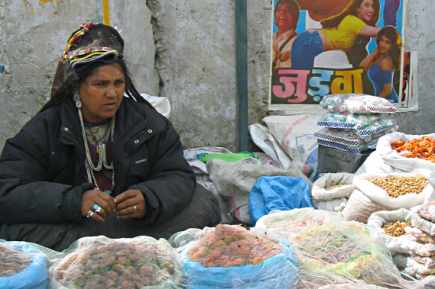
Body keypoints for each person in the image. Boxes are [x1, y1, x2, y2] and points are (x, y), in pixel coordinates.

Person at [0, 23, 220, 250]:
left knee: (202, 201)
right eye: (100, 84)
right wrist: (75, 201)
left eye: (118, 83)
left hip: (132, 224)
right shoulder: (46, 127)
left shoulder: (147, 122)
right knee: (12, 229)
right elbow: (7, 190)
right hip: (78, 226)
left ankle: (115, 247)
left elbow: (177, 174)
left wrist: (148, 198)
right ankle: (127, 248)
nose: (112, 93)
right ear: (77, 87)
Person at [291, 0, 380, 69]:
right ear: (358, 8)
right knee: (302, 79)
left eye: (373, 7)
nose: (371, 10)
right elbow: (379, 32)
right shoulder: (354, 21)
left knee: (302, 79)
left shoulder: (352, 21)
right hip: (308, 43)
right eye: (366, 5)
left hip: (308, 40)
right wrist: (392, 33)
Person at [360, 26, 400, 103]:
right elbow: (361, 69)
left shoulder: (386, 61)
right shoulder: (378, 56)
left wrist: (374, 104)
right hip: (380, 99)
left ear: (392, 45)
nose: (383, 44)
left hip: (388, 101)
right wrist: (374, 53)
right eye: (382, 40)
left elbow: (388, 89)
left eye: (387, 42)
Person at [272, 0, 299, 69]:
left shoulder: (300, 41)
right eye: (279, 10)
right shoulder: (269, 37)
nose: (282, 13)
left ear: (295, 16)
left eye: (288, 10)